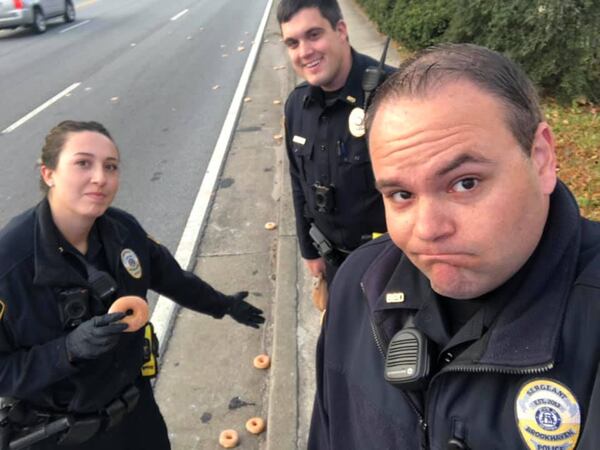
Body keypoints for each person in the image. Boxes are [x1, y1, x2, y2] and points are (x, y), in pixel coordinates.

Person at [308, 43, 600, 449]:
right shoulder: (357, 285)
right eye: (401, 195)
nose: (427, 230)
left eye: (465, 183)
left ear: (540, 157)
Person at [0, 120, 265, 450]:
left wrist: (223, 305)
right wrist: (66, 351)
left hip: (137, 417)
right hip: (62, 436)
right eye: (83, 163)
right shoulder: (9, 263)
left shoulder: (123, 230)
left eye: (110, 166)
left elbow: (172, 279)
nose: (100, 177)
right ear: (48, 173)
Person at [278, 0, 392, 285]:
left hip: (392, 265)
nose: (305, 52)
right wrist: (308, 250)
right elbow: (297, 184)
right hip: (334, 265)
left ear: (341, 30)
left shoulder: (393, 94)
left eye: (314, 35)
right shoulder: (296, 105)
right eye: (293, 43)